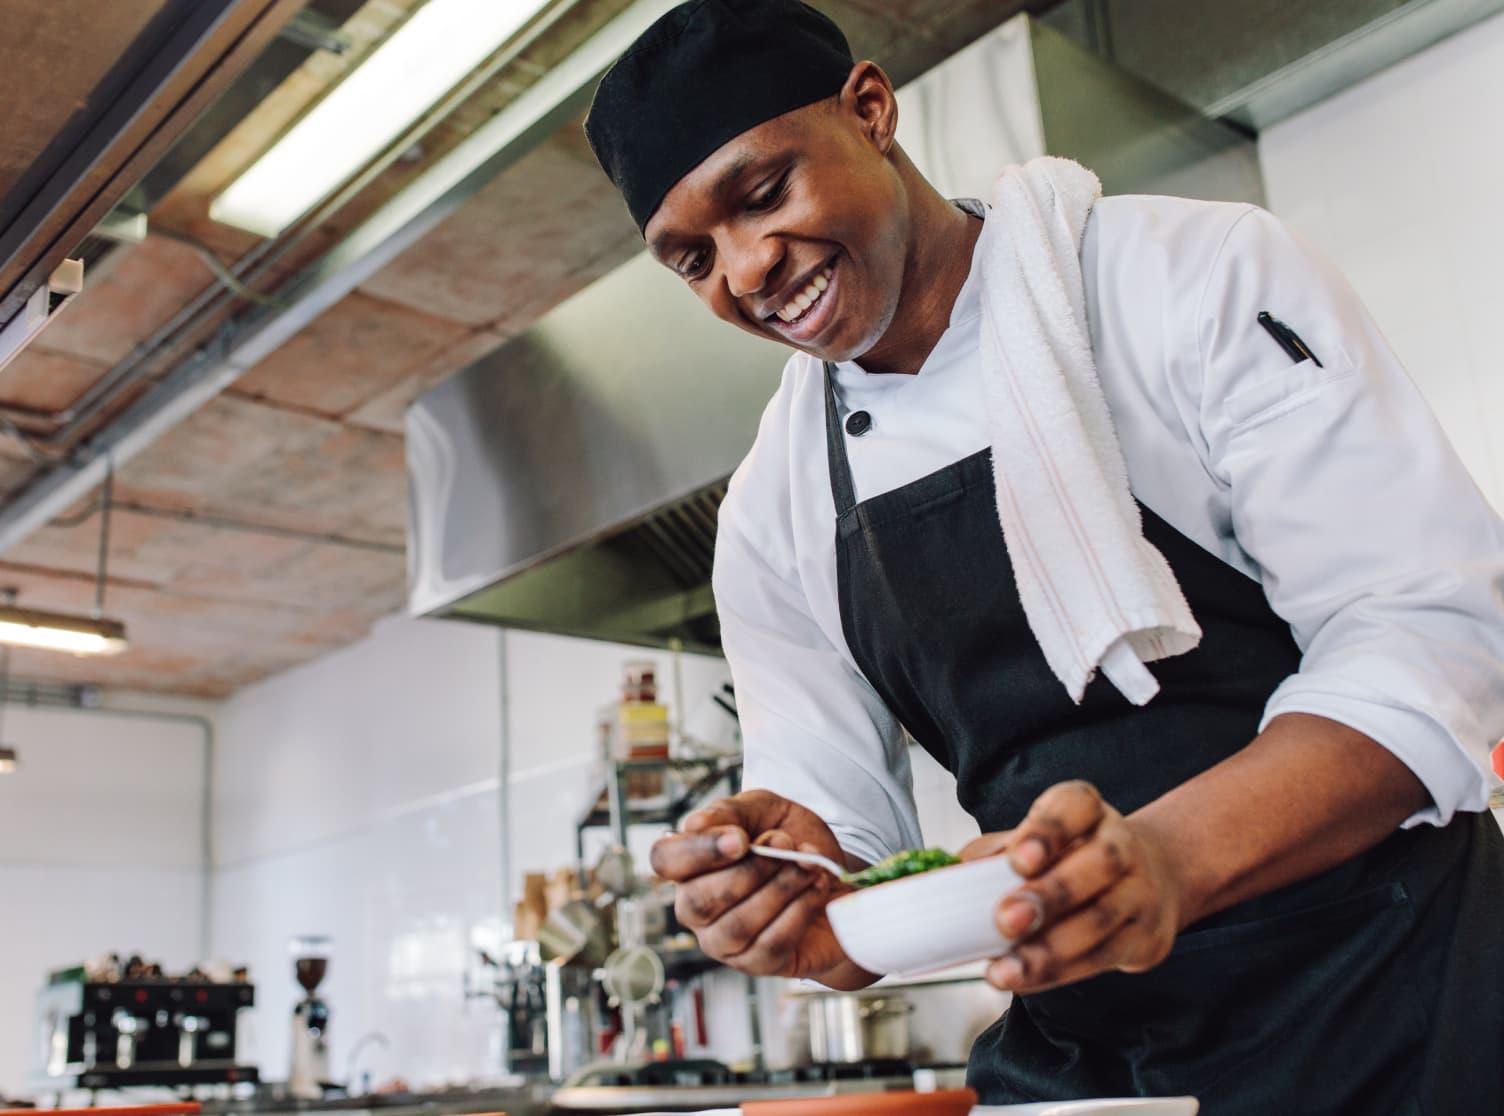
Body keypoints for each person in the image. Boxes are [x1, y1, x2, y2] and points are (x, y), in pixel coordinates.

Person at [581, 1, 1504, 1111]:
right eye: (692, 259)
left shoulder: (1190, 278)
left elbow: (1428, 636)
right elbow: (842, 838)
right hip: (1089, 1057)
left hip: (1392, 1003)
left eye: (764, 192)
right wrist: (790, 889)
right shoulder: (774, 507)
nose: (747, 269)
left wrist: (1164, 859)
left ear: (871, 110)